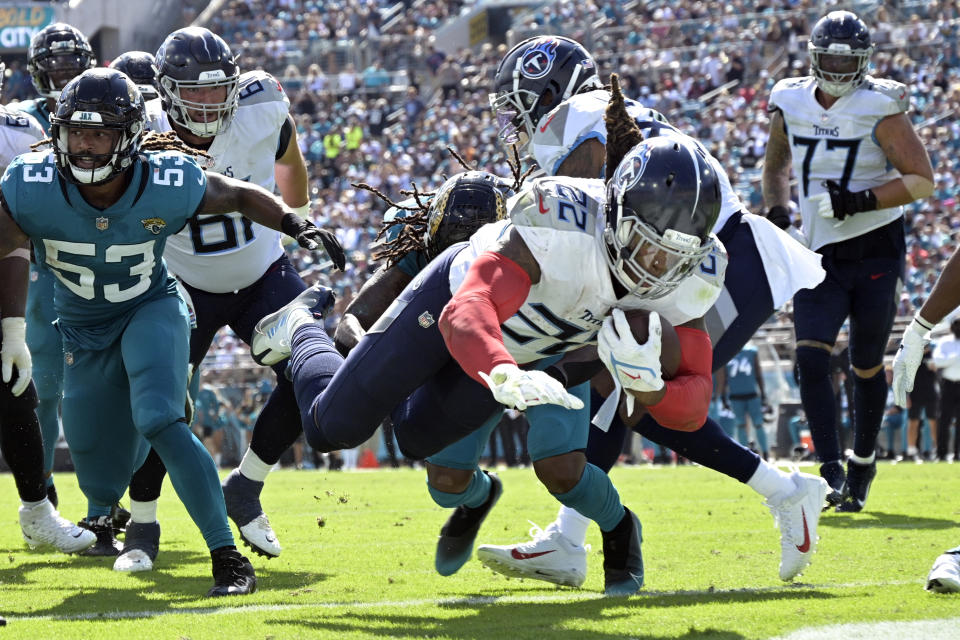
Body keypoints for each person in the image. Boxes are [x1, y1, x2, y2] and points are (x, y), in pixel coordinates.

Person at [477, 39, 827, 587]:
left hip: (718, 262)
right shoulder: (597, 116)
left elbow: (578, 218)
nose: (514, 119)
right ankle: (568, 541)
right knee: (620, 388)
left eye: (521, 101)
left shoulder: (581, 118)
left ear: (552, 90)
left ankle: (786, 492)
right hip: (680, 262)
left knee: (642, 388)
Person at [0, 67, 338, 595]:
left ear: (130, 136)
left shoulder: (165, 178)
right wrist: (13, 328)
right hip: (82, 331)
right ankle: (114, 519)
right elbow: (7, 245)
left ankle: (227, 558)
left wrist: (295, 221)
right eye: (76, 132)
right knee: (97, 471)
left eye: (101, 133)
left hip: (149, 307)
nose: (86, 147)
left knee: (159, 416)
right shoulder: (30, 182)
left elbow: (239, 194)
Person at [114, 26, 344, 573]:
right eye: (193, 91)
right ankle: (142, 524)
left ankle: (248, 483)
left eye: (218, 90)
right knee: (162, 404)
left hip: (261, 272)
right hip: (180, 282)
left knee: (309, 367)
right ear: (166, 90)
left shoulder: (262, 108)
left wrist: (300, 217)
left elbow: (288, 154)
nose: (208, 102)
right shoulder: (141, 126)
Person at [762, 10, 933, 512]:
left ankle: (863, 461)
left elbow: (922, 180)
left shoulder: (881, 103)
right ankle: (832, 469)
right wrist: (777, 209)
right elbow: (776, 164)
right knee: (810, 357)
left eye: (846, 58)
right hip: (821, 252)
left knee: (863, 364)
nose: (837, 68)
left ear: (864, 61)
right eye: (829, 57)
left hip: (876, 245)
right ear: (814, 56)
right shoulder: (789, 98)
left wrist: (859, 201)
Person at [0, 72, 97, 556]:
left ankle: (38, 512)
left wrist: (13, 328)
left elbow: (13, 241)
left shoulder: (17, 135)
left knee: (19, 395)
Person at [719, 343, 771, 459]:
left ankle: (765, 453)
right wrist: (723, 397)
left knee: (756, 424)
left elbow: (758, 373)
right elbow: (724, 378)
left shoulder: (751, 351)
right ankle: (748, 454)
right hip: (738, 397)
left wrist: (763, 395)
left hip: (750, 396)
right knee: (743, 425)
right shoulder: (728, 353)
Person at [932, 318, 960, 461]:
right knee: (944, 420)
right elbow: (938, 360)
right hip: (948, 385)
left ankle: (958, 454)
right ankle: (941, 454)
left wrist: (950, 360)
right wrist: (956, 357)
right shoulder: (945, 341)